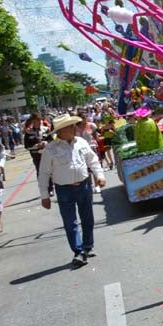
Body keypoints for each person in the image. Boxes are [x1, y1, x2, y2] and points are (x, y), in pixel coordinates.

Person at [38, 113, 106, 268]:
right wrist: (44, 196)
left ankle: (87, 246)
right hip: (64, 189)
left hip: (84, 185)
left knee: (88, 217)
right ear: (61, 131)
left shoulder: (81, 142)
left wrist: (99, 175)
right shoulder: (51, 149)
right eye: (70, 126)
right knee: (70, 222)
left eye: (74, 125)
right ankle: (78, 251)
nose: (74, 128)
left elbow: (93, 160)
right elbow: (44, 173)